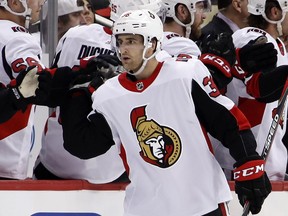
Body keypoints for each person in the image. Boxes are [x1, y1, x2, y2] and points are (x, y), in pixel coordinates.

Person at [59, 9, 271, 215]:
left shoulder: (185, 75)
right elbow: (83, 145)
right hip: (146, 209)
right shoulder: (108, 96)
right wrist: (77, 94)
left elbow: (228, 123)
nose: (123, 49)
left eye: (131, 41)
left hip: (203, 204)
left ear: (151, 44)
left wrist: (248, 163)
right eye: (121, 41)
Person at [33, 0, 128, 183]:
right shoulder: (156, 53)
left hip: (55, 160)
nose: (84, 14)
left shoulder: (75, 35)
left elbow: (51, 90)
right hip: (110, 171)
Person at [217, 0, 288, 181]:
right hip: (244, 167)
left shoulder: (279, 46)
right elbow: (259, 87)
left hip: (270, 167)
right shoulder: (249, 37)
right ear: (274, 13)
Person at [0, 0, 49, 180]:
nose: (41, 2)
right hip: (4, 166)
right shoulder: (17, 38)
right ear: (14, 3)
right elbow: (38, 84)